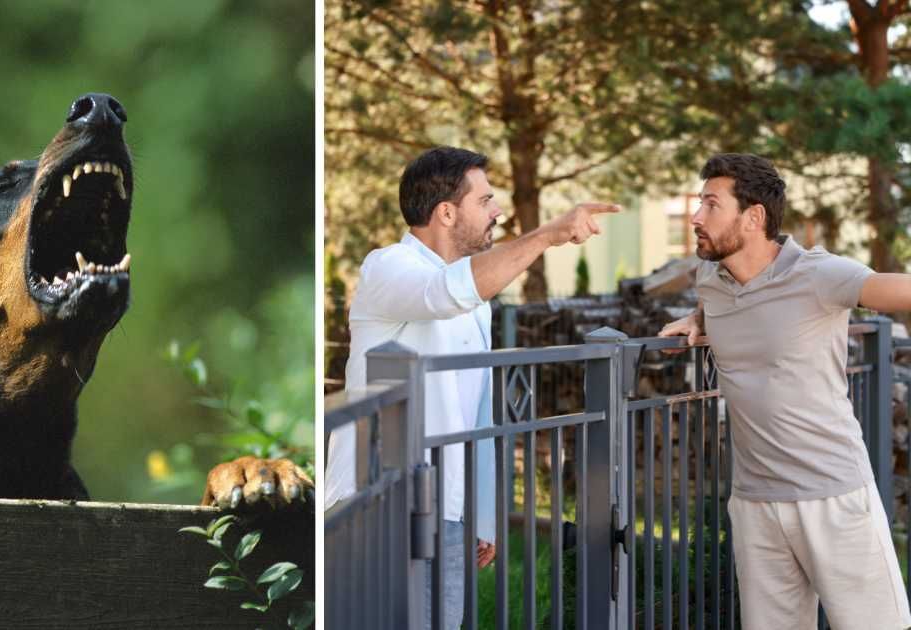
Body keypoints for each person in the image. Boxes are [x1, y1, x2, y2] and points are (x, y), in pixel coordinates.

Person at [326, 146, 618, 628]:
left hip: (446, 511)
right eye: (485, 201)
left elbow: (476, 414)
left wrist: (480, 516)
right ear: (446, 212)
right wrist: (546, 235)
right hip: (381, 506)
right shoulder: (388, 267)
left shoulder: (477, 300)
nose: (498, 211)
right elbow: (446, 293)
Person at [659, 153, 911, 629]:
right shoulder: (710, 279)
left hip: (832, 494)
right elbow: (735, 311)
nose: (696, 217)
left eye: (711, 205)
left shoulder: (819, 274)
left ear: (754, 217)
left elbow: (895, 289)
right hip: (755, 501)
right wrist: (696, 320)